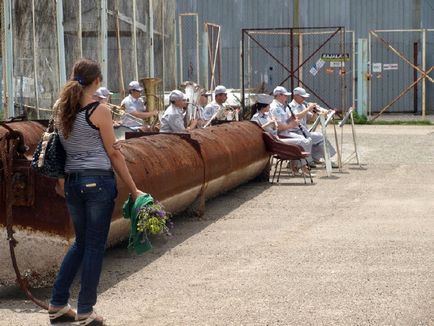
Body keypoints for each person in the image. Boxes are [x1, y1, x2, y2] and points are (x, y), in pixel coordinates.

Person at [49, 58, 143, 326]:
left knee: (81, 242)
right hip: (97, 182)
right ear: (97, 82)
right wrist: (134, 189)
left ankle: (57, 304)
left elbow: (62, 147)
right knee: (93, 246)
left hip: (73, 183)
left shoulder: (60, 109)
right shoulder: (99, 110)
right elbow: (114, 152)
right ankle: (86, 311)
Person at [252, 93, 312, 175]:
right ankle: (301, 167)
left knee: (303, 141)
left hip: (276, 137)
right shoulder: (256, 117)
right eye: (268, 105)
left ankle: (297, 167)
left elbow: (276, 126)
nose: (270, 107)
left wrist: (289, 119)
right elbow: (257, 130)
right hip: (273, 141)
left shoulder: (267, 115)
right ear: (263, 107)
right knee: (303, 142)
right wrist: (270, 123)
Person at [289, 87, 336, 165]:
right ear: (296, 96)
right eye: (302, 97)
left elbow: (310, 119)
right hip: (296, 132)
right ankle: (325, 160)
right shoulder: (291, 106)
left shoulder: (302, 106)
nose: (304, 98)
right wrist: (308, 109)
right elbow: (296, 116)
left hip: (304, 132)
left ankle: (316, 158)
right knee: (320, 137)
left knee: (319, 138)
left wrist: (315, 112)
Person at [269, 86, 313, 164]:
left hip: (285, 132)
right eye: (285, 95)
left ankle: (299, 164)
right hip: (280, 135)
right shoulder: (275, 108)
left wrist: (291, 119)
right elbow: (278, 127)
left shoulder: (280, 106)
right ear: (279, 95)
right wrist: (291, 125)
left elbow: (284, 121)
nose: (286, 97)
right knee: (305, 141)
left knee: (306, 139)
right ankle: (301, 165)